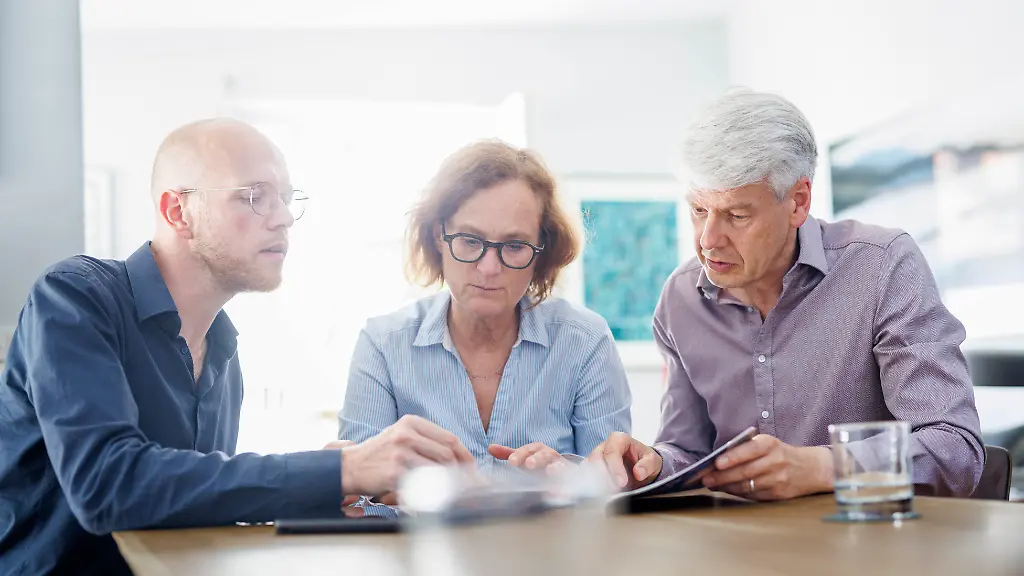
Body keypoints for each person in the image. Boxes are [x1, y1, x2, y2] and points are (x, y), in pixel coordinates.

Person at [0, 119, 473, 575]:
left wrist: (322, 487)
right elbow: (108, 485)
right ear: (177, 211)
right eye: (255, 196)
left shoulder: (222, 350)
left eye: (287, 200)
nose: (285, 218)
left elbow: (181, 503)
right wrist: (336, 471)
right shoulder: (75, 297)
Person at [588, 89, 984, 500]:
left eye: (737, 215)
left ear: (798, 202)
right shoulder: (680, 299)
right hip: (743, 554)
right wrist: (651, 465)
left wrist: (822, 467)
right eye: (698, 210)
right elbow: (688, 450)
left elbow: (954, 448)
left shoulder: (881, 267)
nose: (708, 240)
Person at [338, 139, 632, 478]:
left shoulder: (584, 341)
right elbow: (360, 498)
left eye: (515, 245)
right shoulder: (383, 344)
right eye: (469, 241)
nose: (489, 268)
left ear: (541, 251)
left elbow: (613, 487)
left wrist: (571, 478)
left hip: (551, 532)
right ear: (438, 237)